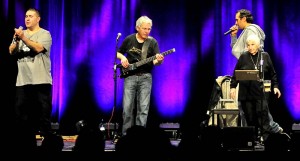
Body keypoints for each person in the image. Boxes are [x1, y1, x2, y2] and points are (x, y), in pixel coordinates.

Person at [228, 9, 283, 134]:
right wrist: (233, 36)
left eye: (237, 19)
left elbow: (240, 52)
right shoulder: (245, 54)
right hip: (246, 87)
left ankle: (273, 130)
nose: (236, 22)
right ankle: (252, 136)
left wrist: (275, 86)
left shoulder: (251, 32)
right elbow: (239, 56)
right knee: (248, 113)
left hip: (257, 87)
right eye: (248, 45)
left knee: (261, 112)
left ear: (244, 19)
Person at [8, 8, 53, 150]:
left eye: (31, 16)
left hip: (41, 80)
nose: (27, 19)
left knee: (43, 113)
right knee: (21, 113)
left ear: (38, 19)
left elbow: (38, 48)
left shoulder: (45, 34)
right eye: (26, 16)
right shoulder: (20, 34)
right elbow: (11, 51)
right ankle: (23, 142)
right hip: (23, 81)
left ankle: (48, 144)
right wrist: (16, 40)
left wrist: (23, 38)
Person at [117, 16, 164, 136]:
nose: (147, 31)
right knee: (127, 108)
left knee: (143, 109)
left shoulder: (152, 42)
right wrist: (123, 58)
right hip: (130, 77)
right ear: (137, 28)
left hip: (145, 78)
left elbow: (155, 62)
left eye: (149, 29)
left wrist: (159, 60)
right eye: (144, 28)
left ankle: (140, 137)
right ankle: (126, 136)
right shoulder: (129, 39)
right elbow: (118, 52)